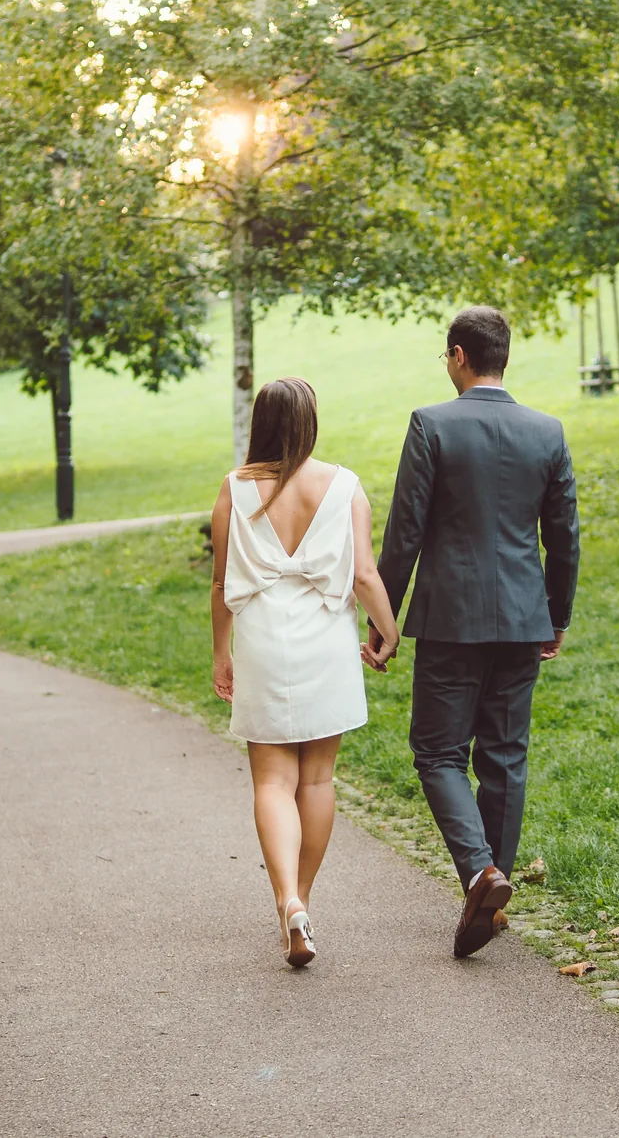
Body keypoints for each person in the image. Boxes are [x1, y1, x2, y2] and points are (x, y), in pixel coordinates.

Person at [368, 305, 579, 959]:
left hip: (450, 616)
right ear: (502, 356)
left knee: (436, 752)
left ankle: (480, 872)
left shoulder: (432, 425)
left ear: (459, 354)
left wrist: (383, 620)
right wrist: (557, 613)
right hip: (522, 617)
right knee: (505, 756)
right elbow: (563, 536)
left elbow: (404, 532)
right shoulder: (547, 431)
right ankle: (491, 897)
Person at [210, 376, 400, 968]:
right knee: (316, 781)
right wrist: (388, 631)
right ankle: (303, 902)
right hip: (326, 638)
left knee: (271, 782)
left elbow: (220, 582)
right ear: (309, 422)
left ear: (260, 423)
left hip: (264, 638)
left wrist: (221, 652)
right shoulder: (343, 486)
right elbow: (365, 575)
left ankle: (288, 900)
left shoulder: (234, 489)